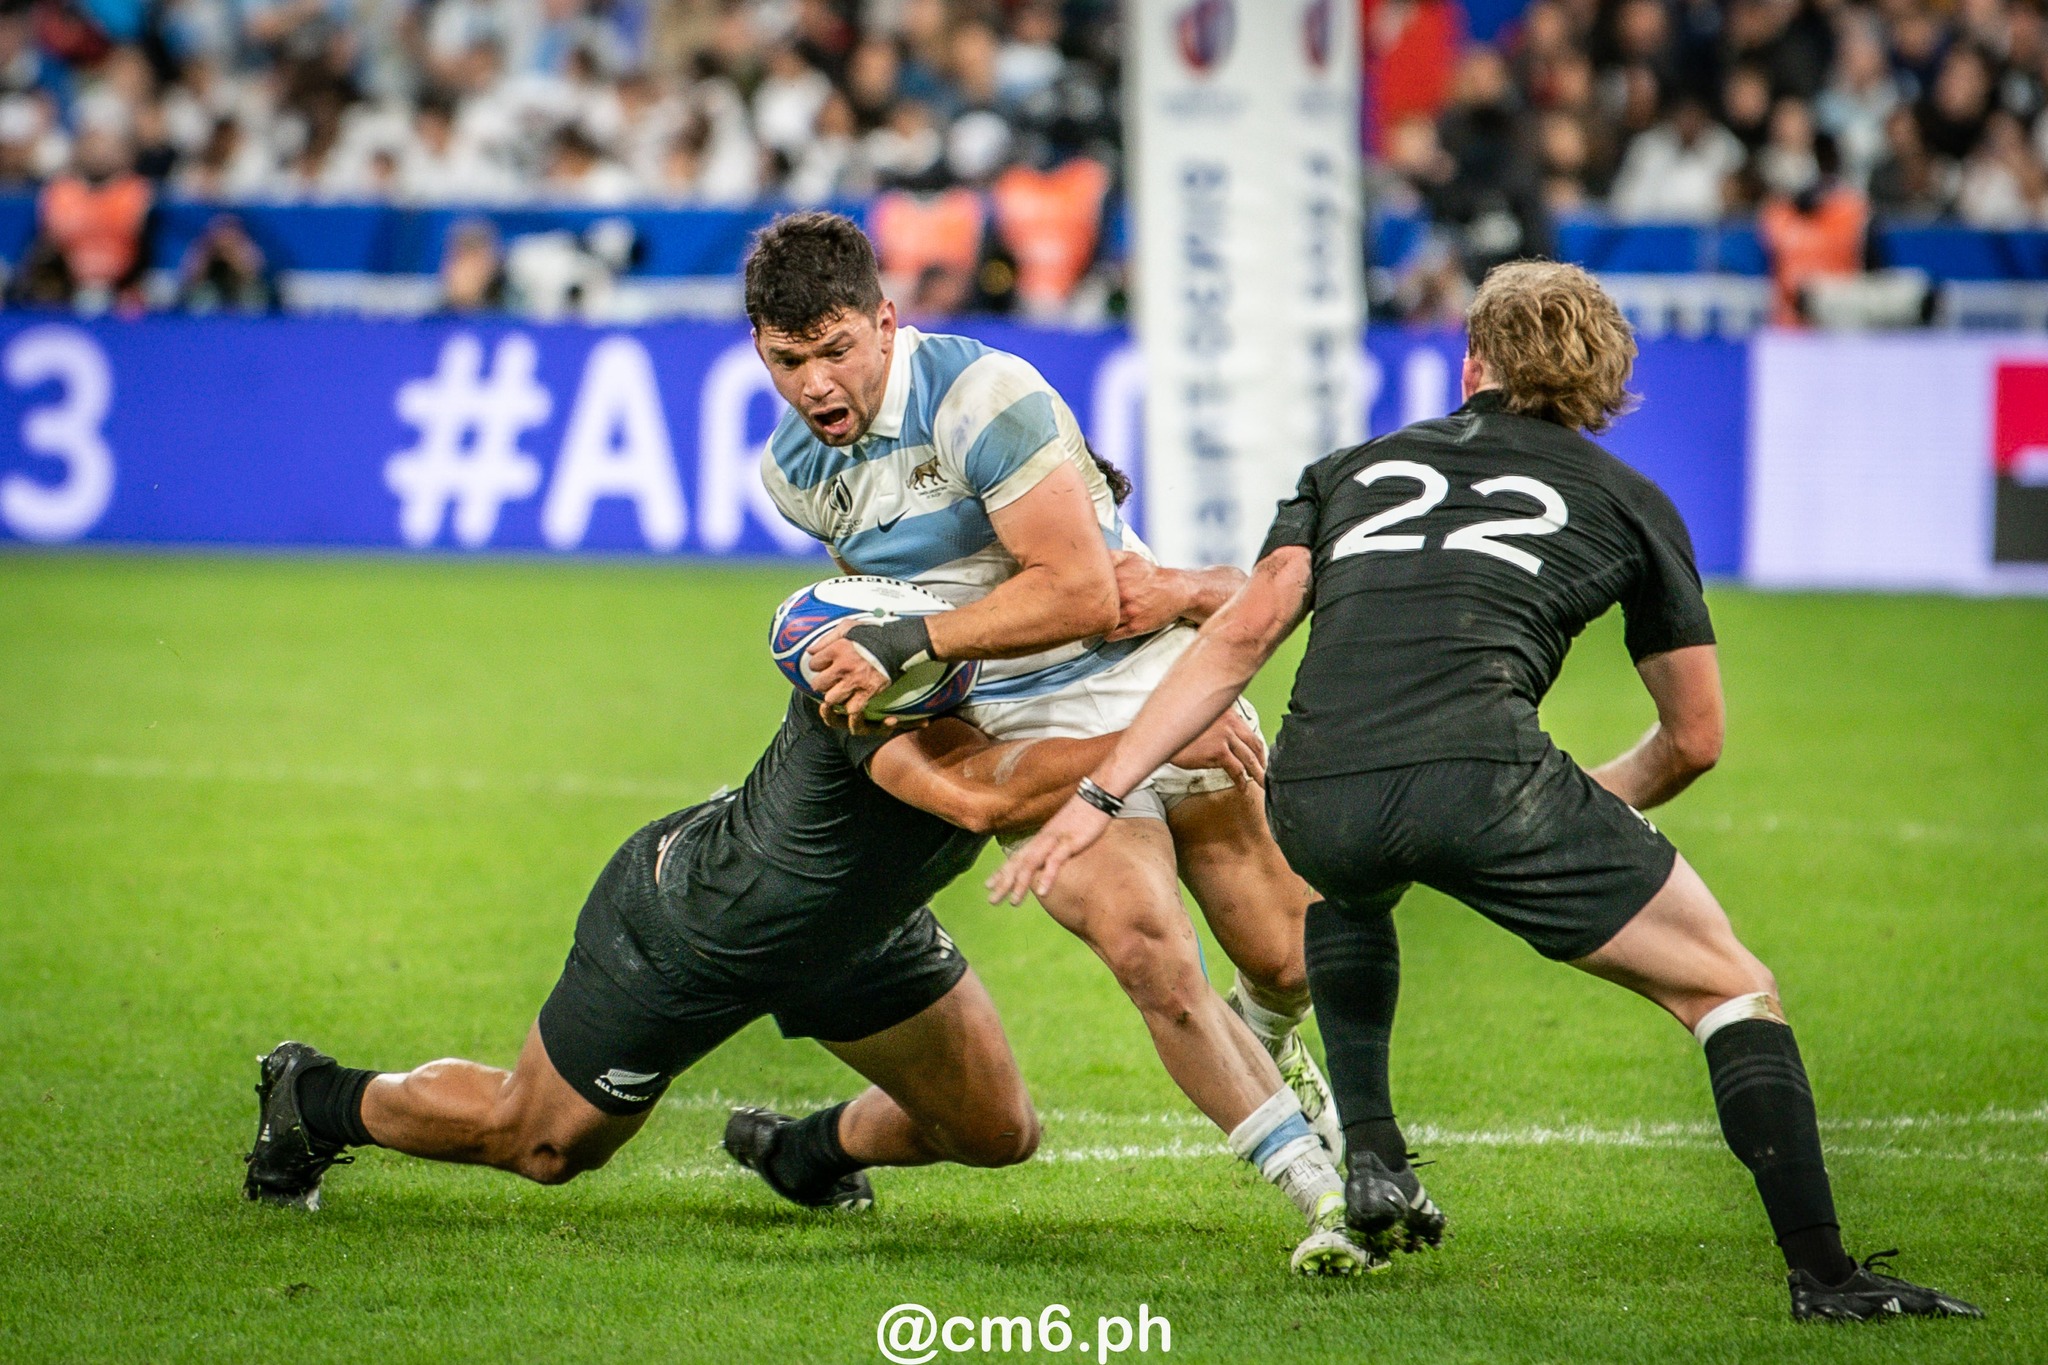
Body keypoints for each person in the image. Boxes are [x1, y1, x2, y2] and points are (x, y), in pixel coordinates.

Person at [991, 261, 1985, 1324]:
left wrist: (1099, 795)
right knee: (1728, 988)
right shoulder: (1630, 500)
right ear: (1606, 382)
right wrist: (1567, 811)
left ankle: (1371, 1160)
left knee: (1347, 882)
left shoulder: (1345, 469)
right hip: (1488, 778)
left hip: (1313, 778)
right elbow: (1693, 739)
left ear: (1471, 363)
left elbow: (1234, 640)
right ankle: (1825, 1276)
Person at [743, 211, 1371, 1276]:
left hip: (1143, 672)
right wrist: (919, 713)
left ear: (885, 324)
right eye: (786, 361)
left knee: (1282, 955)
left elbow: (1082, 594)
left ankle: (1257, 1043)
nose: (813, 384)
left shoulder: (982, 395)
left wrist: (911, 638)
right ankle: (1327, 1200)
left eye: (835, 349)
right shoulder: (798, 472)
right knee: (1146, 952)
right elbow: (908, 621)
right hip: (1024, 720)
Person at [243, 688, 1264, 1218]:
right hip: (694, 927)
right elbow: (979, 797)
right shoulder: (873, 645)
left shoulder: (1050, 651)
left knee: (994, 1131)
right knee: (543, 1146)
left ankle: (800, 1154)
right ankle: (316, 1099)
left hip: (860, 934)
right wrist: (1158, 735)